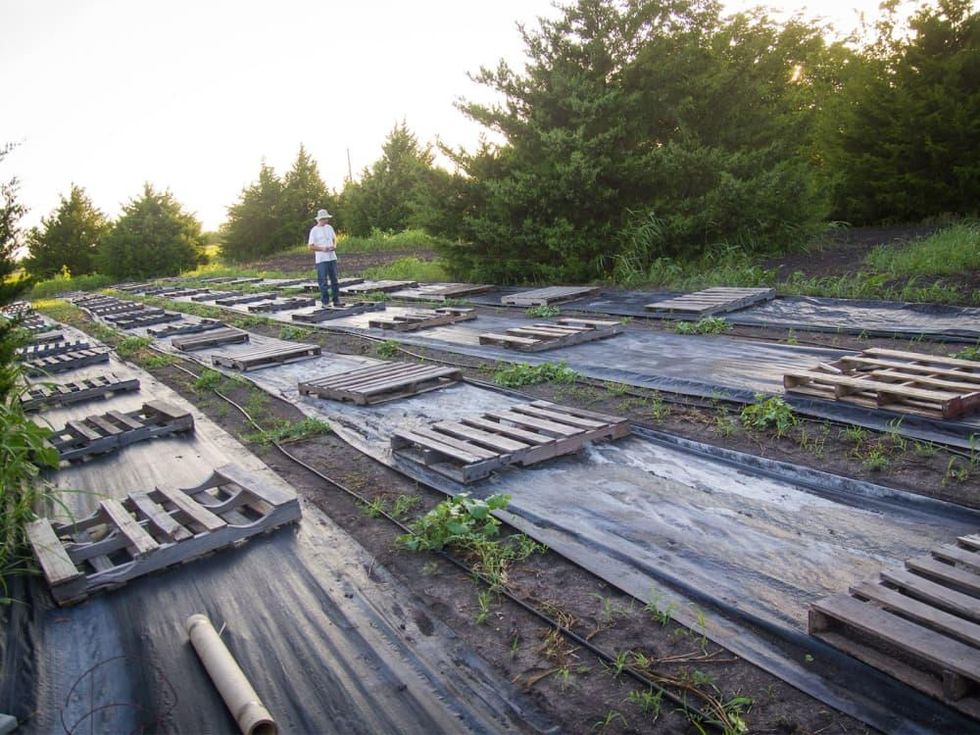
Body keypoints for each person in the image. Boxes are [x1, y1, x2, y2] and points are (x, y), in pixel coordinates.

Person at [308, 208, 341, 307]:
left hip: (332, 257)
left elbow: (334, 239)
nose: (326, 220)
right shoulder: (314, 231)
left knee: (335, 280)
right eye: (324, 219)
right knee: (323, 281)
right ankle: (325, 302)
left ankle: (336, 300)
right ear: (319, 219)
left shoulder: (329, 227)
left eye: (327, 219)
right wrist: (322, 249)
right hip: (321, 259)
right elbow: (310, 246)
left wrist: (334, 246)